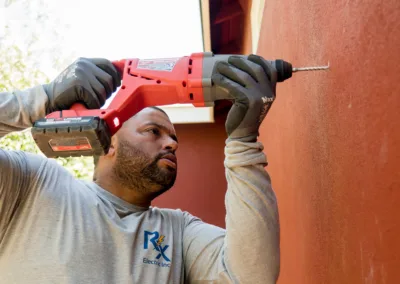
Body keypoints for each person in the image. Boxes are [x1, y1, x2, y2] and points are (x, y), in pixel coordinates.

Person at [0, 55, 280, 283]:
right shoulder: (34, 185)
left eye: (174, 138)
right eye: (153, 131)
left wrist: (242, 144)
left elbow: (251, 276)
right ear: (107, 143)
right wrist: (45, 98)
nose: (171, 144)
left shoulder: (178, 231)